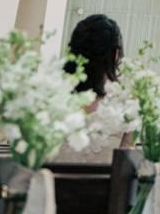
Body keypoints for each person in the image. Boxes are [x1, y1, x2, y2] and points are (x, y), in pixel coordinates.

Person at [54, 14, 128, 164]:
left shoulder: (51, 98)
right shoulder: (127, 106)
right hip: (107, 180)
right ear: (115, 54)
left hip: (50, 179)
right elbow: (125, 167)